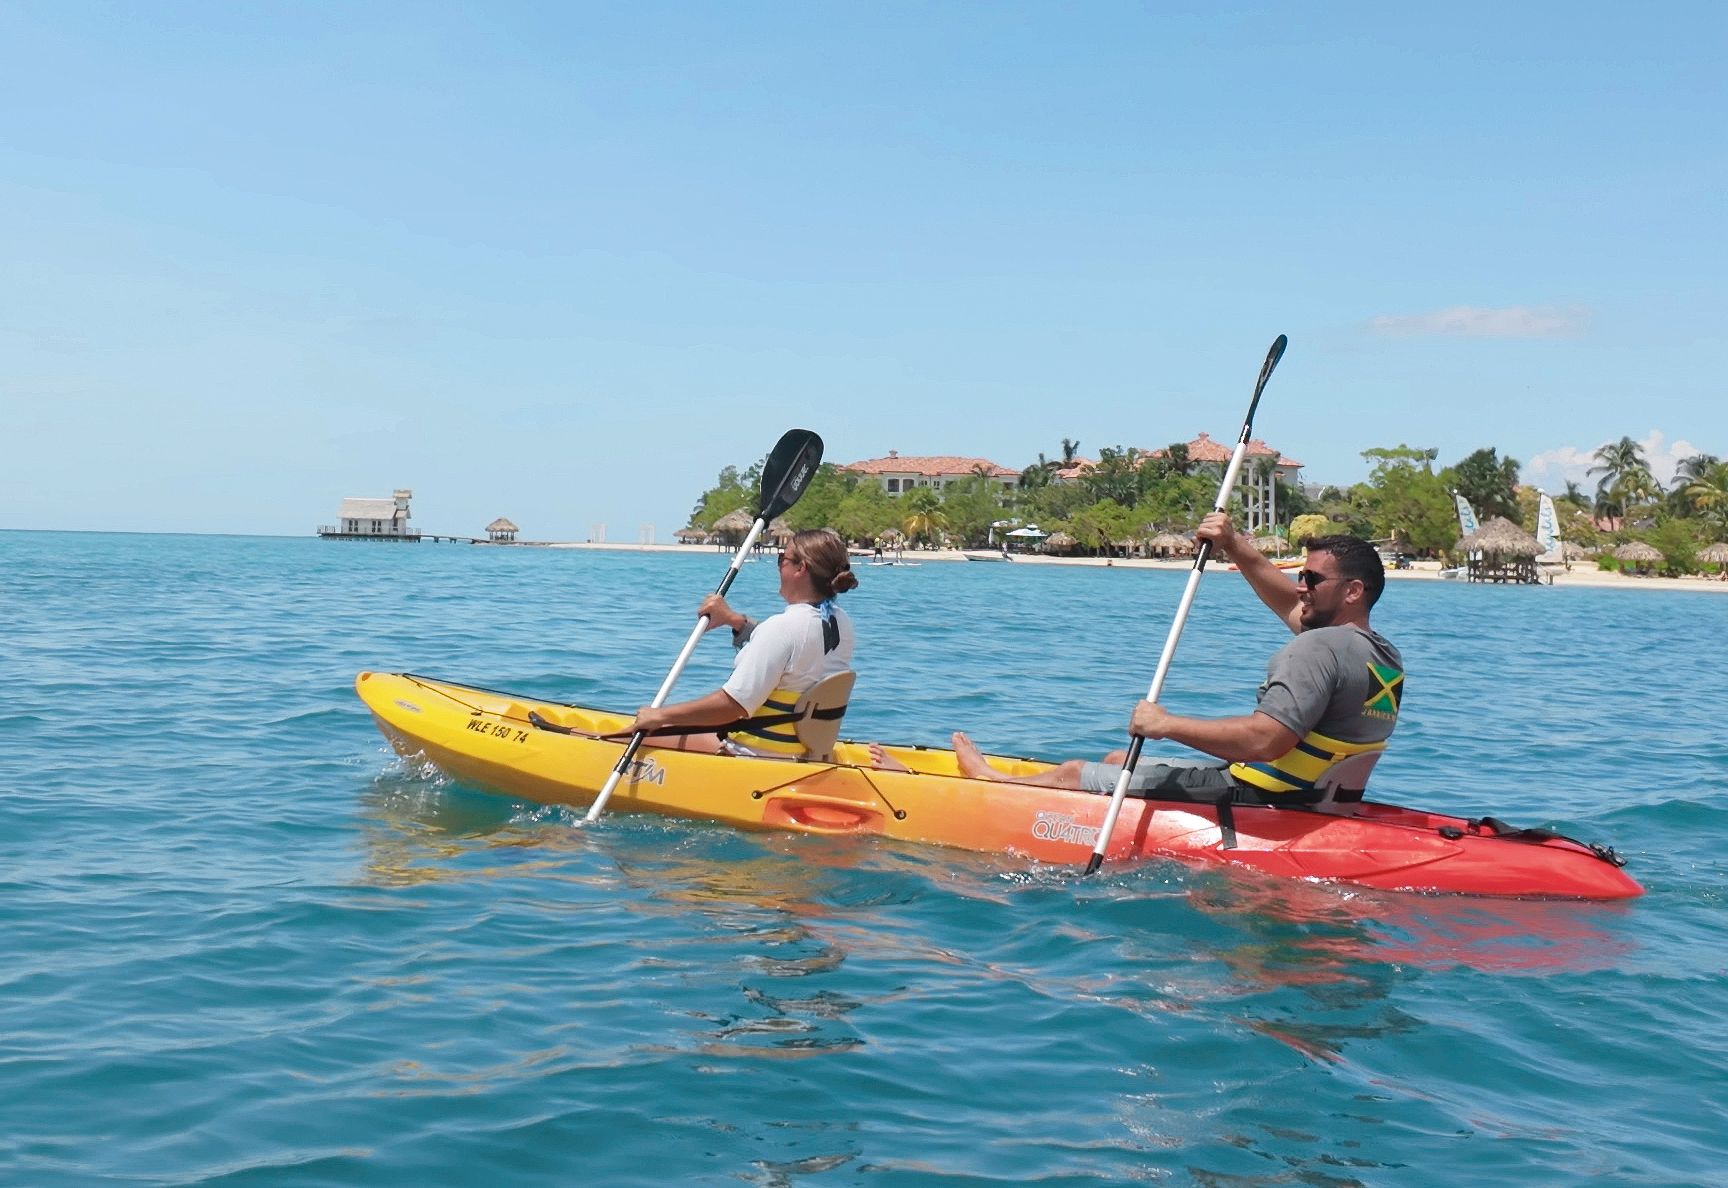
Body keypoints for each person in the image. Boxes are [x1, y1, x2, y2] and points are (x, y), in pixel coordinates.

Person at [939, 512, 1405, 806]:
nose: (1300, 585)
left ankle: (987, 781)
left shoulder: (1315, 648)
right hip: (1314, 795)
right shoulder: (1378, 655)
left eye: (1312, 578)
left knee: (1075, 772)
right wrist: (1235, 545)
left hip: (1261, 795)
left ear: (1353, 591)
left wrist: (1166, 724)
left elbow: (1265, 741)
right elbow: (1289, 605)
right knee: (1118, 758)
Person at [624, 528, 858, 757]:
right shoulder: (840, 622)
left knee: (631, 734)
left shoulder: (781, 629)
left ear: (801, 568)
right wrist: (735, 621)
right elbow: (792, 652)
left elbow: (731, 706)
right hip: (802, 752)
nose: (779, 566)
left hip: (752, 754)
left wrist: (660, 716)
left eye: (782, 558)